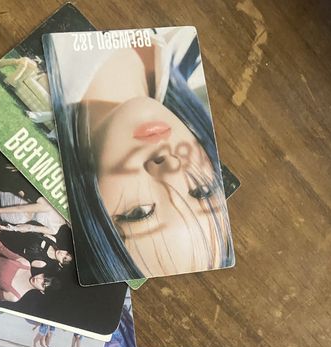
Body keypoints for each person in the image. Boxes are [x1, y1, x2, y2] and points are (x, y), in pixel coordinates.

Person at [44, 27, 234, 283]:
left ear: (92, 218)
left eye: (139, 212)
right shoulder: (199, 55)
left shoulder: (44, 63)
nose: (171, 167)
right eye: (202, 191)